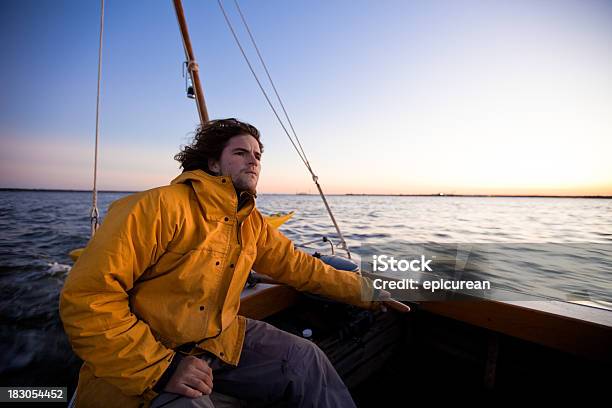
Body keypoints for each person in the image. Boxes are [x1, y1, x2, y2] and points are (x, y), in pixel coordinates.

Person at [60, 118, 387, 408]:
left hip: (217, 338)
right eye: (241, 153)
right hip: (152, 350)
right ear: (214, 163)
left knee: (306, 359)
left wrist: (367, 291)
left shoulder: (251, 223)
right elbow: (87, 300)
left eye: (258, 155)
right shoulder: (157, 207)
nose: (254, 161)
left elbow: (300, 266)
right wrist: (160, 368)